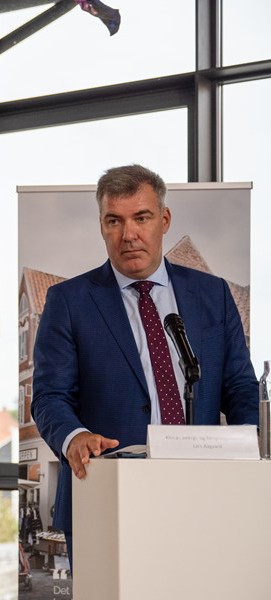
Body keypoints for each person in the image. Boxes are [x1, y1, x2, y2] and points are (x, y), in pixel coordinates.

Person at [31, 164, 258, 562]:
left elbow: (239, 386)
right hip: (105, 497)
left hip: (204, 495)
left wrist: (257, 444)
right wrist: (74, 437)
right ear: (101, 226)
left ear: (164, 220)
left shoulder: (213, 295)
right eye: (114, 221)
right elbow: (50, 396)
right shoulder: (69, 301)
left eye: (142, 217)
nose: (128, 234)